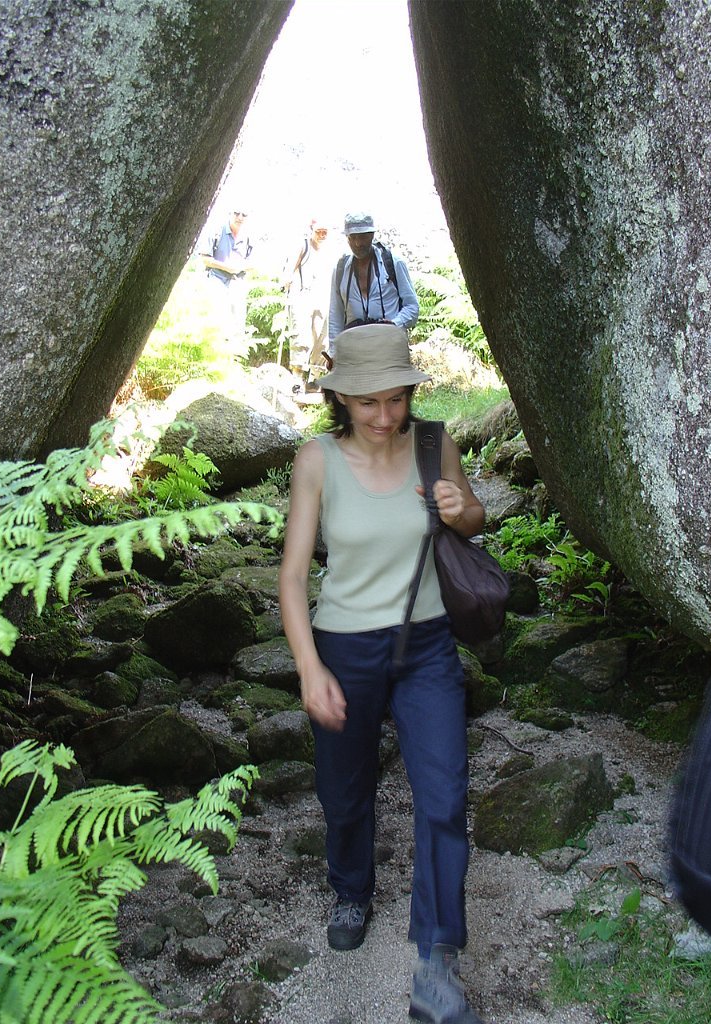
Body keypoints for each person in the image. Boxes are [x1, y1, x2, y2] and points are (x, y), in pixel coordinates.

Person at [278, 323, 485, 1024]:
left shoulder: (433, 444)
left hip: (426, 644)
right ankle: (351, 889)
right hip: (343, 645)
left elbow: (473, 517)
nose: (384, 415)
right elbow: (292, 577)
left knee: (444, 795)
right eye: (368, 402)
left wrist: (462, 510)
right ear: (341, 398)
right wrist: (309, 669)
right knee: (344, 791)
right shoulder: (317, 461)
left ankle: (437, 958)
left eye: (395, 399)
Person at [328, 212, 419, 351]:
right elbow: (336, 314)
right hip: (355, 350)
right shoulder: (341, 270)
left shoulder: (394, 264)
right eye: (353, 237)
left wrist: (394, 324)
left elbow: (412, 307)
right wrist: (334, 353)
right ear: (347, 238)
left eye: (363, 237)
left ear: (372, 235)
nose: (358, 243)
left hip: (389, 348)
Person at [282, 218, 331, 392]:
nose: (322, 235)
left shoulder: (330, 251)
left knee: (321, 338)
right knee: (301, 337)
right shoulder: (303, 246)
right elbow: (289, 269)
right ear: (311, 230)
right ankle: (296, 379)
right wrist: (287, 281)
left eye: (325, 232)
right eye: (319, 231)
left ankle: (315, 380)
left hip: (322, 299)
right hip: (302, 296)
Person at [199, 207, 254, 353]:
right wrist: (226, 267)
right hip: (216, 278)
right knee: (218, 319)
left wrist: (239, 267)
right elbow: (205, 258)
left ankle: (233, 356)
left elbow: (254, 263)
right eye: (237, 213)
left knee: (238, 322)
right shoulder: (216, 230)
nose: (240, 217)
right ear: (230, 213)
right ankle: (214, 353)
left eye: (244, 214)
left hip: (237, 280)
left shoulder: (249, 236)